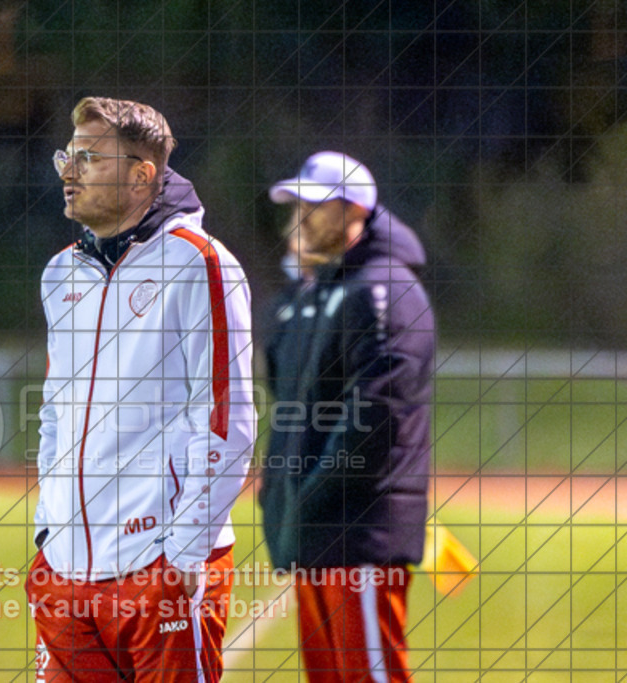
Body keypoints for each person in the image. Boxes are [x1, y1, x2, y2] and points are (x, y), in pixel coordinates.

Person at [26, 96, 256, 681]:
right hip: (66, 571)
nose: (68, 174)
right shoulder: (61, 273)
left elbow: (228, 420)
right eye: (67, 158)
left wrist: (184, 550)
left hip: (158, 567)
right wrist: (48, 527)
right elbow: (55, 409)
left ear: (141, 174)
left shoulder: (200, 263)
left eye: (89, 159)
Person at [259, 151, 434, 681]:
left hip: (354, 529)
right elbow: (291, 395)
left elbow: (377, 413)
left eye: (314, 206)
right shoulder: (328, 290)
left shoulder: (384, 288)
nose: (300, 219)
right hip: (320, 527)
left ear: (354, 209)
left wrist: (309, 489)